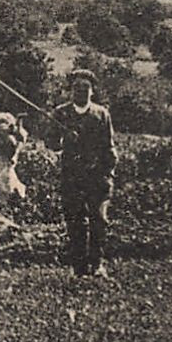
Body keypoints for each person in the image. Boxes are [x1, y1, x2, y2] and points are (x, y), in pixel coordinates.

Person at [46, 69, 117, 277]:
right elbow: (50, 143)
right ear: (71, 91)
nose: (81, 92)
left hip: (97, 176)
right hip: (72, 177)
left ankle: (97, 265)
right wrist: (63, 138)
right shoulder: (61, 114)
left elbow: (109, 147)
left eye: (86, 88)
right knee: (75, 222)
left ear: (92, 91)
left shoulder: (101, 114)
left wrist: (108, 173)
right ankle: (79, 268)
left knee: (99, 221)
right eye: (77, 87)